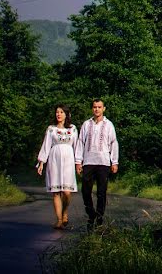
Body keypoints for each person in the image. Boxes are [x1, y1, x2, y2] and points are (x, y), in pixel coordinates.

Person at [74, 98, 119, 227]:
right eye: (95, 107)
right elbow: (80, 142)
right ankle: (91, 213)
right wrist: (78, 161)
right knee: (86, 190)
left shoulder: (109, 124)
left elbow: (113, 143)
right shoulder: (86, 124)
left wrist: (114, 162)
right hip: (88, 161)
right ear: (92, 108)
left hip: (103, 162)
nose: (97, 109)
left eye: (99, 107)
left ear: (103, 109)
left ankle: (99, 216)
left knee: (101, 191)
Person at [36, 104, 78, 229]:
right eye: (57, 112)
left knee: (67, 192)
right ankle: (59, 219)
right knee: (56, 192)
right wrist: (41, 163)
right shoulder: (51, 129)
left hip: (68, 160)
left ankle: (65, 211)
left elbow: (77, 146)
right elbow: (46, 145)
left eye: (61, 112)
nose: (58, 114)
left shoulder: (73, 129)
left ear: (66, 114)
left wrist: (78, 163)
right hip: (54, 159)